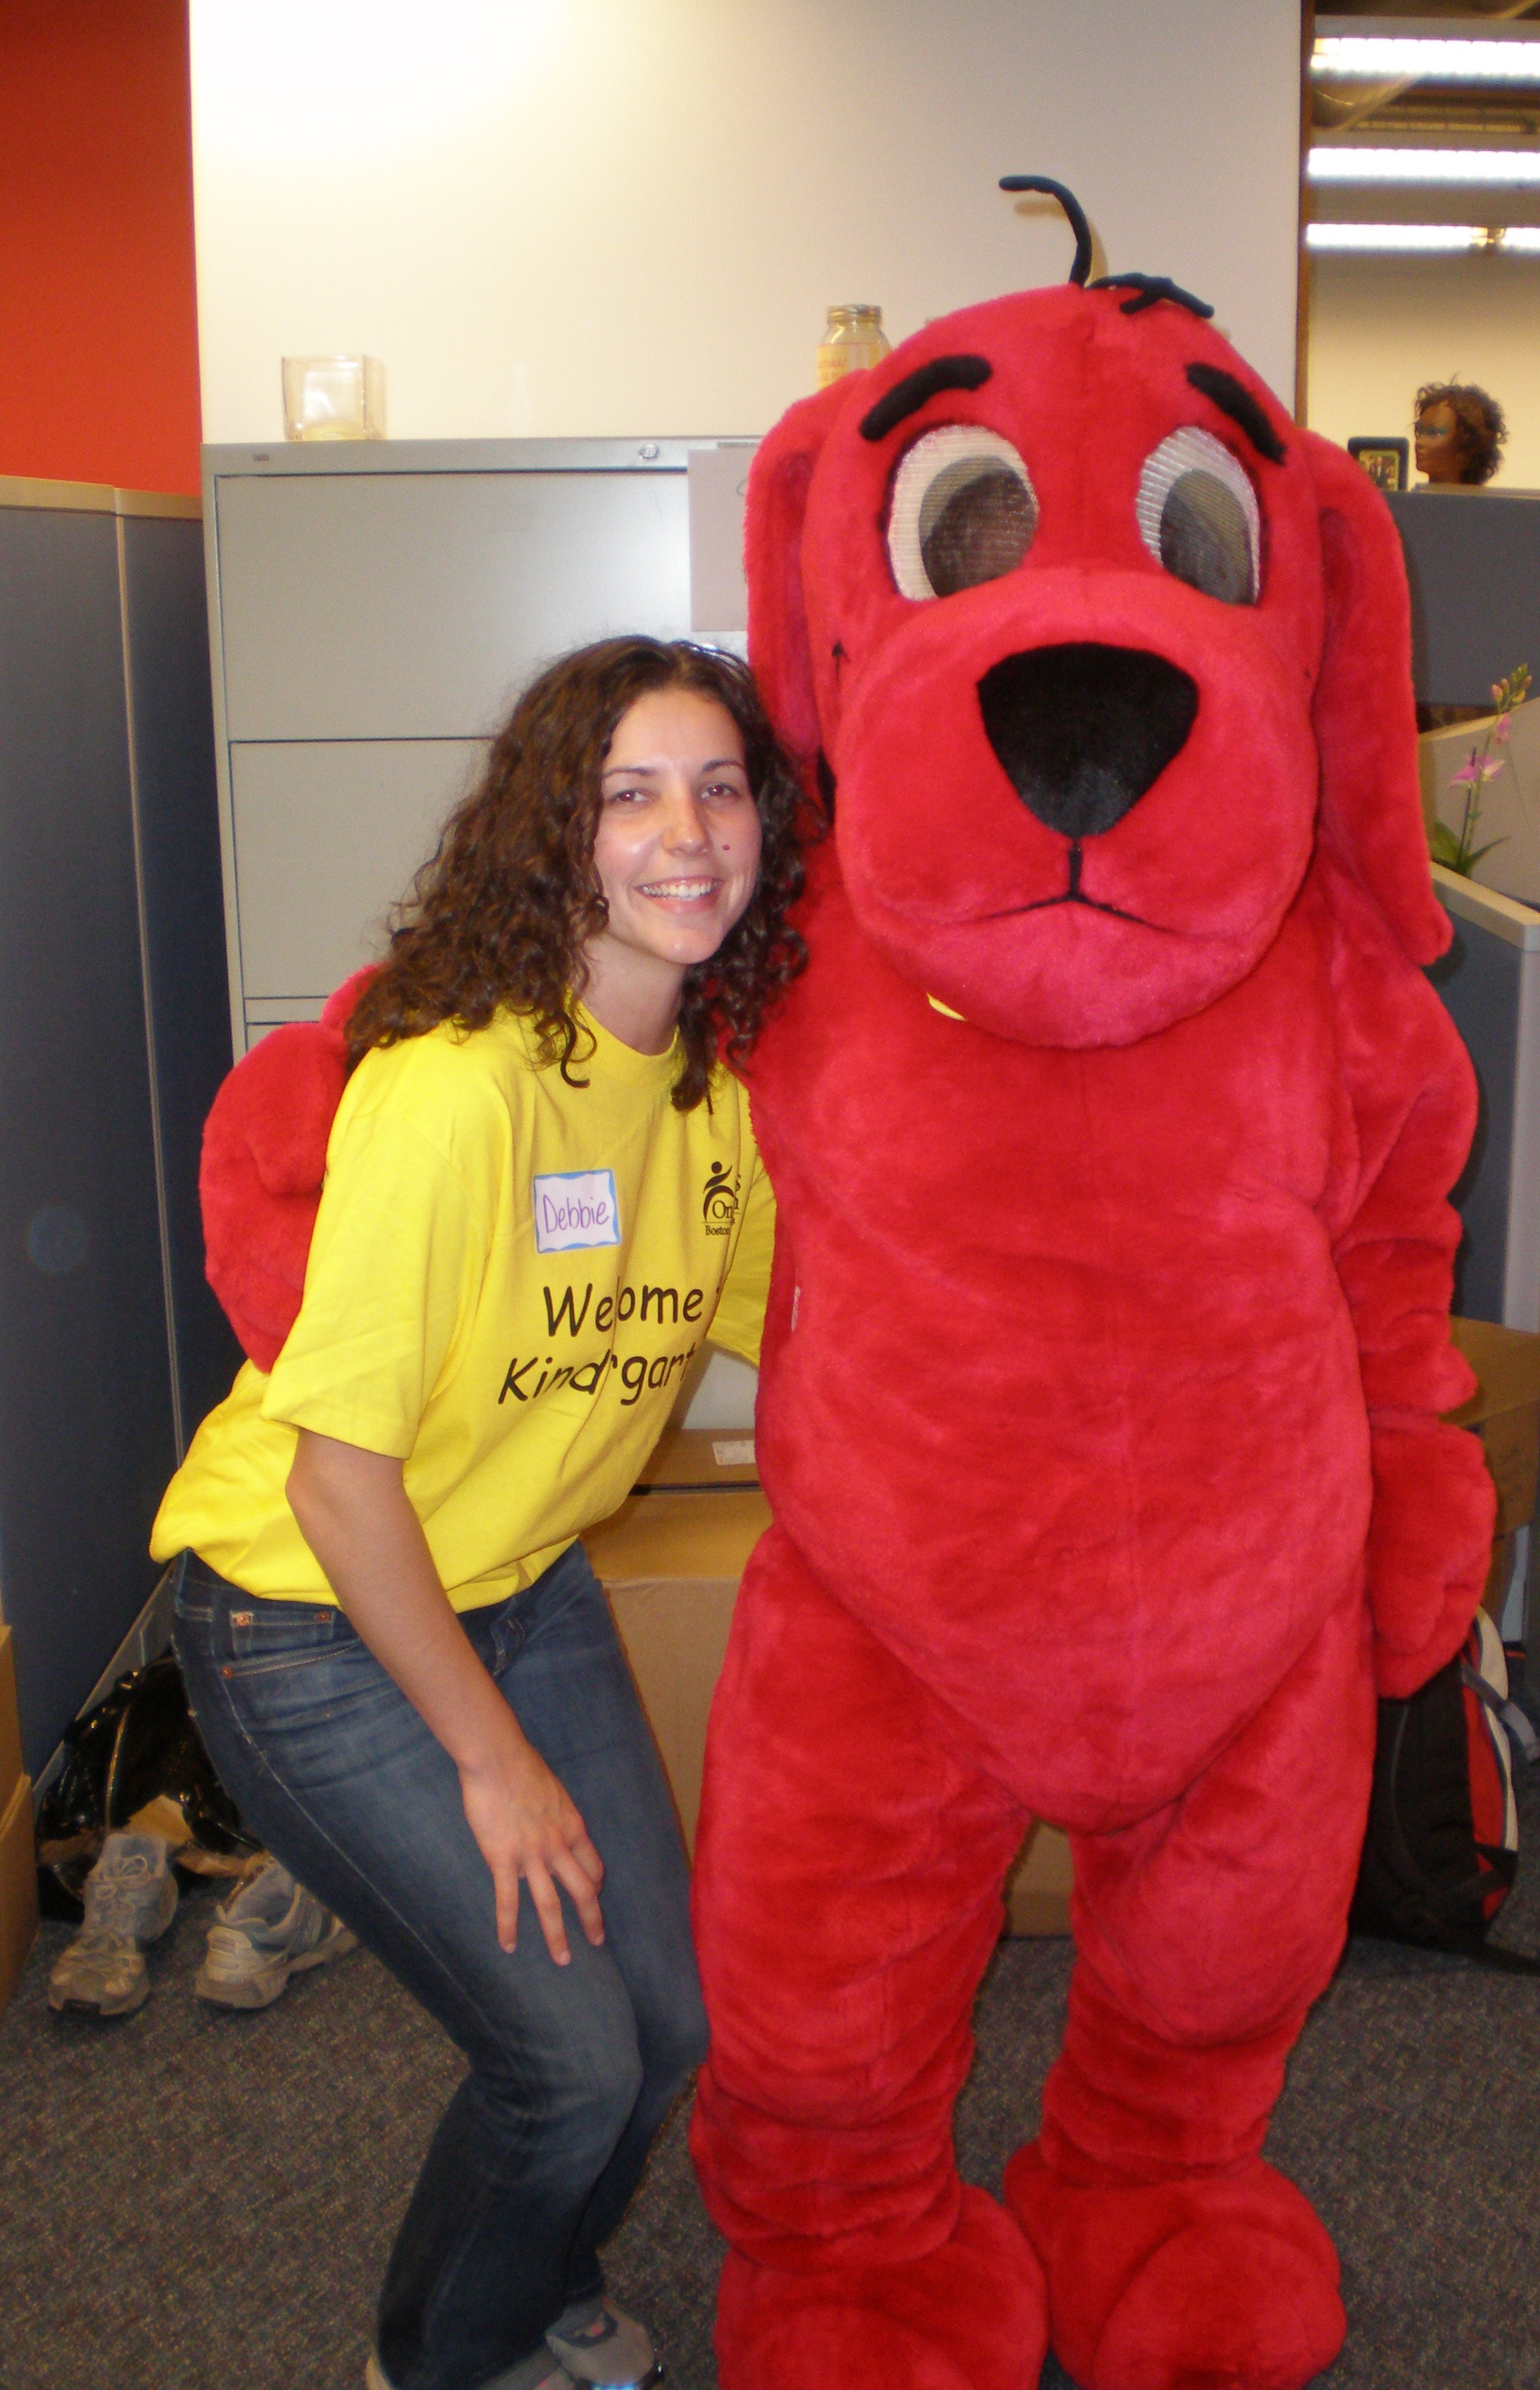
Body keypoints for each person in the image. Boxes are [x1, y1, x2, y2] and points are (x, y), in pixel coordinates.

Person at [152, 636, 807, 2390]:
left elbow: (826, 1332)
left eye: (723, 786)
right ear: (556, 834)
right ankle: (437, 2358)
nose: (691, 834)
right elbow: (337, 1478)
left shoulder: (709, 1095)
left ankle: (536, 2267)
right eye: (633, 793)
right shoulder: (455, 1091)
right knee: (570, 2062)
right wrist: (492, 1761)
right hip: (305, 1608)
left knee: (665, 2020)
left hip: (510, 1583)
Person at [1413, 380, 1507, 485]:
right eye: (1419, 432)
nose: (1419, 442)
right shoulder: (1408, 500)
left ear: (1468, 447)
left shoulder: (1483, 502)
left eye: (1434, 433)